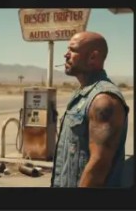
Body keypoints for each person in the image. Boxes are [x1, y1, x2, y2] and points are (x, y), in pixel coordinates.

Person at [52, 31, 129, 187]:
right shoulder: (82, 93)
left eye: (73, 50)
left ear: (93, 57)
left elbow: (99, 165)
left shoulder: (103, 100)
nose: (65, 55)